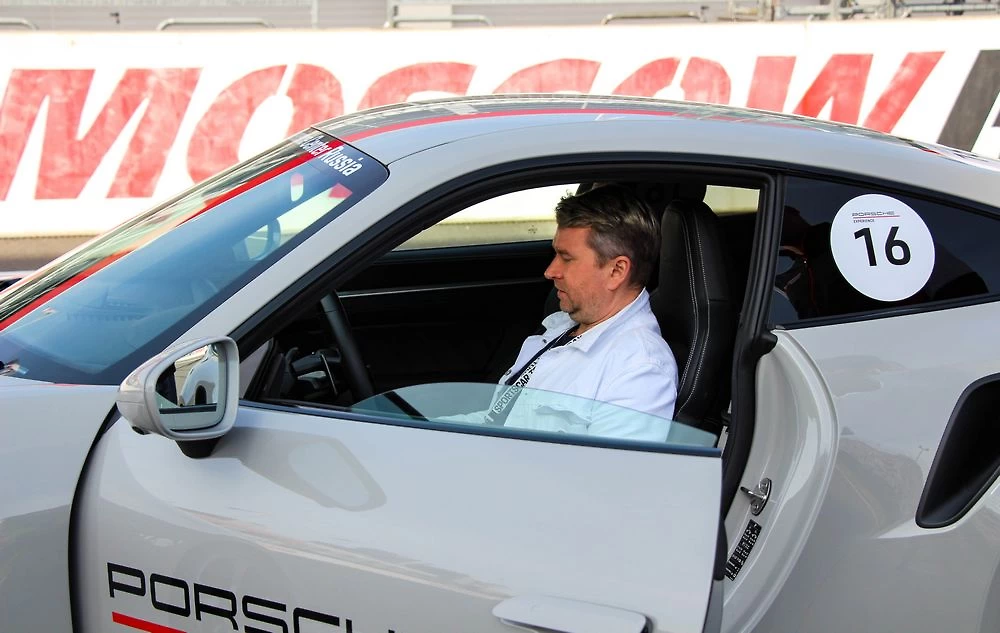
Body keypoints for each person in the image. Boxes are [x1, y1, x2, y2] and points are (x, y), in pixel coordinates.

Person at [483, 184, 678, 441]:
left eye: (566, 258)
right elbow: (496, 419)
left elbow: (611, 467)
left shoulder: (639, 369)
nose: (550, 271)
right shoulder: (567, 326)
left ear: (616, 271)